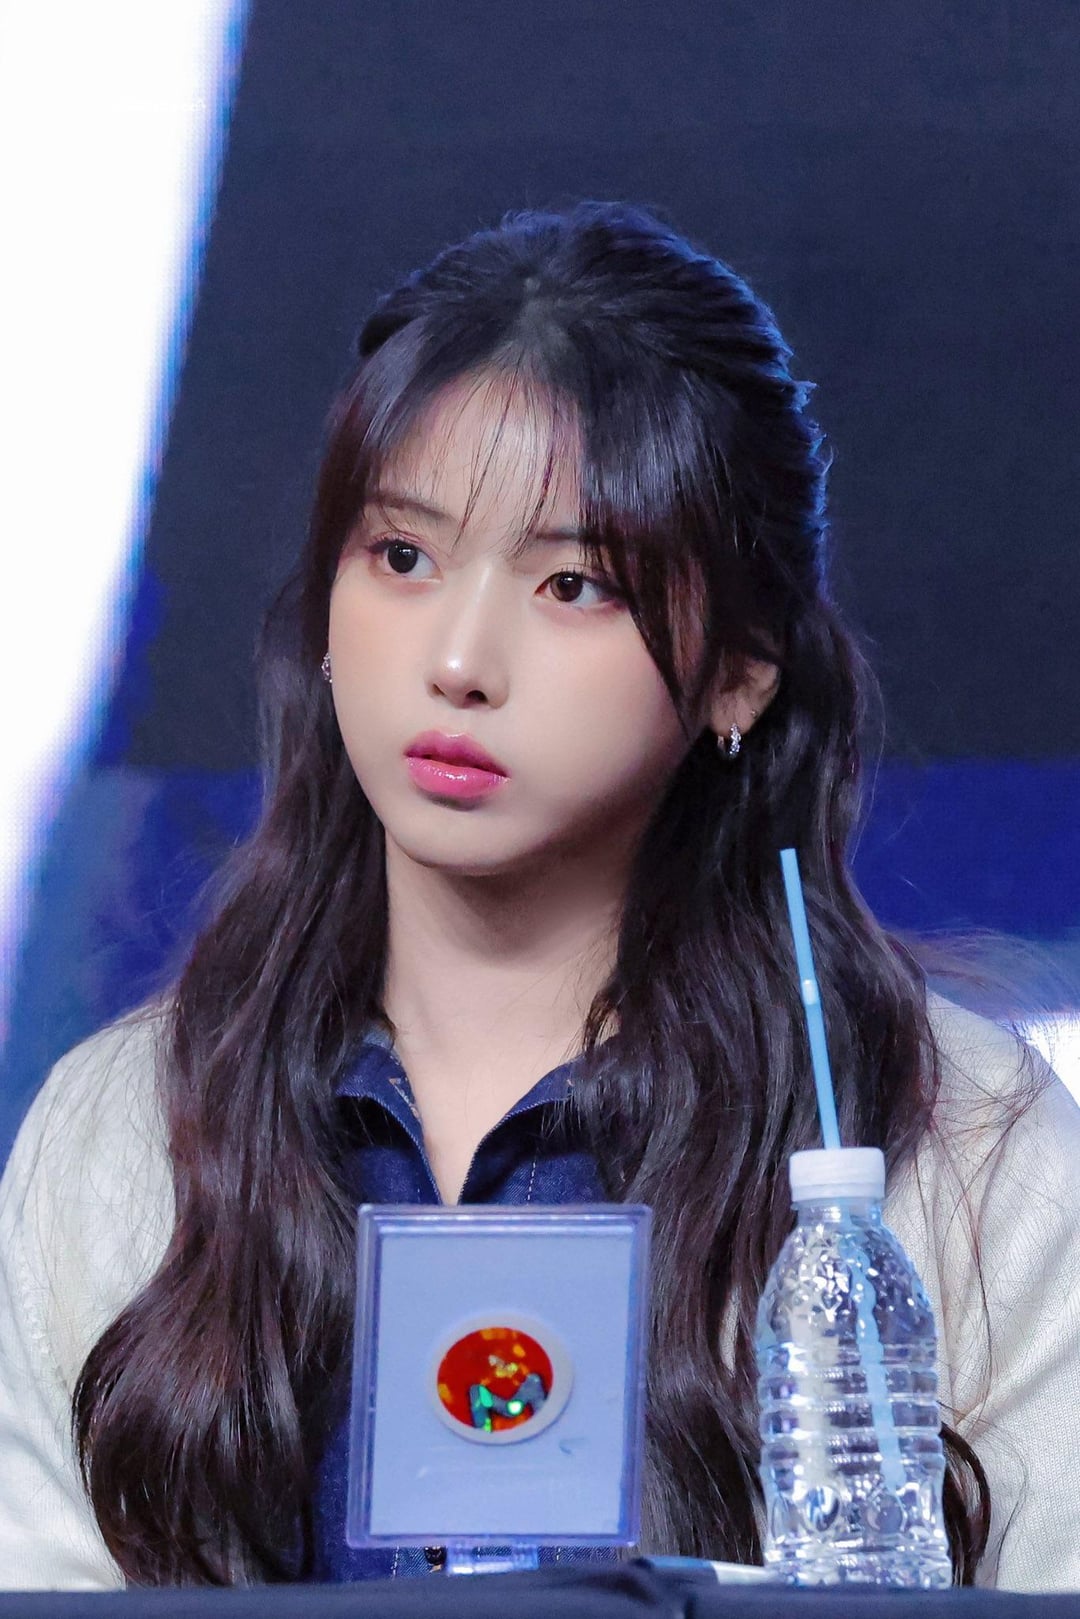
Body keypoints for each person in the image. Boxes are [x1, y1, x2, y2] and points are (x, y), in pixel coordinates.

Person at [0, 199, 1077, 1592]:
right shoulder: (126, 1132)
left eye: (573, 583)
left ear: (741, 670)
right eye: (402, 558)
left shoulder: (958, 1143)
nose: (457, 661)